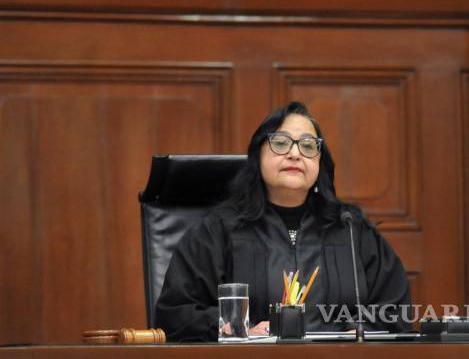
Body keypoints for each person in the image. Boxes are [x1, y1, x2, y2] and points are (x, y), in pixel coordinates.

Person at [155, 101, 411, 341]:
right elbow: (175, 312)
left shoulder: (350, 227)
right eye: (280, 143)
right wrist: (238, 328)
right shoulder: (219, 229)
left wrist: (355, 333)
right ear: (257, 156)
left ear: (319, 162)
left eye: (308, 146)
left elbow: (396, 309)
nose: (295, 153)